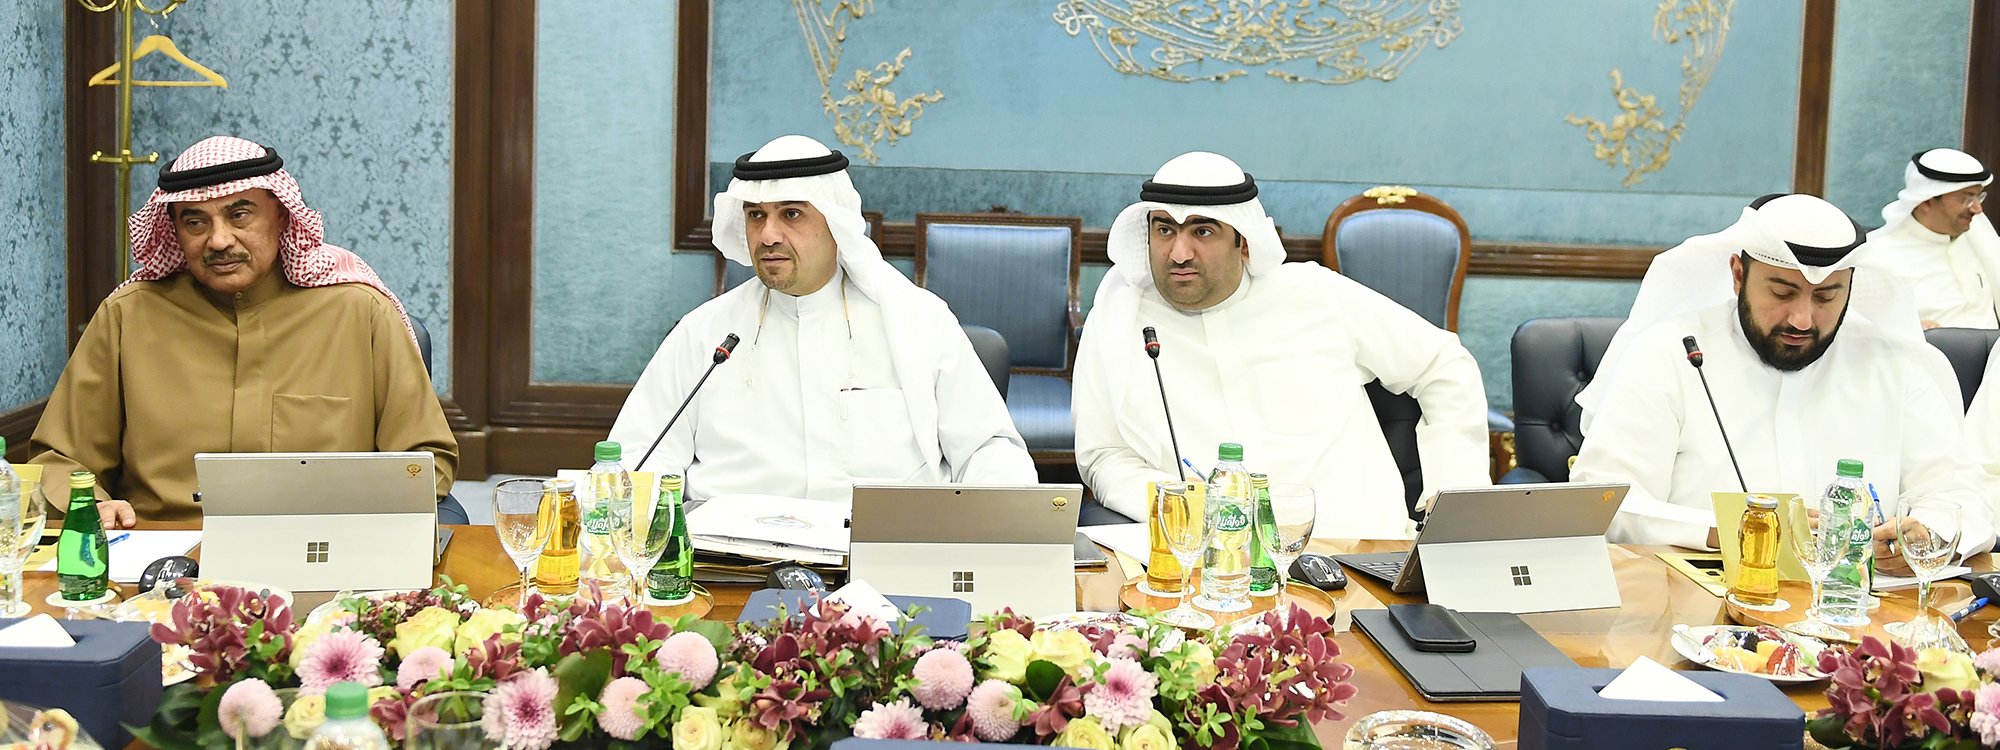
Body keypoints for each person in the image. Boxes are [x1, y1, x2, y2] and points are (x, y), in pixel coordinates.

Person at [29, 136, 459, 527]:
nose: (219, 241)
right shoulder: (128, 316)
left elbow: (426, 459)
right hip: (161, 553)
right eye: (195, 222)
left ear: (281, 215)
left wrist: (356, 519)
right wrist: (91, 505)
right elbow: (61, 459)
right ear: (174, 230)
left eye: (240, 215)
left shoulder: (359, 312)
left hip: (319, 547)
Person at [1072, 152, 1490, 539]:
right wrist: (1186, 506)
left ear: (1244, 241)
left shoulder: (1316, 294)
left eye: (1203, 231)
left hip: (1356, 547)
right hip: (1210, 558)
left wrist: (1452, 490)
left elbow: (1443, 363)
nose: (1179, 253)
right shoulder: (1119, 319)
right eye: (1164, 230)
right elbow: (1104, 455)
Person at [1573, 193, 1994, 567]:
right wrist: (1733, 528)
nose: (1802, 319)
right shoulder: (1670, 353)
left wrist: (1926, 538)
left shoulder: (1894, 363)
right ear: (1738, 274)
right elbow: (1607, 501)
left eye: (1826, 296)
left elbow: (1962, 498)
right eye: (1782, 293)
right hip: (1693, 602)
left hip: (1857, 609)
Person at [607, 135, 1035, 503]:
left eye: (791, 214)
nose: (768, 235)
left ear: (836, 223)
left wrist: (999, 531)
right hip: (728, 559)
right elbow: (641, 453)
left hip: (879, 556)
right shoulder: (704, 333)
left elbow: (988, 451)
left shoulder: (918, 322)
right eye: (756, 215)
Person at [1865, 148, 1998, 329]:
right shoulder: (1878, 257)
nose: (1977, 209)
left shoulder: (1980, 238)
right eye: (1966, 199)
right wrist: (1908, 330)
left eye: (1979, 197)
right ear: (1926, 201)